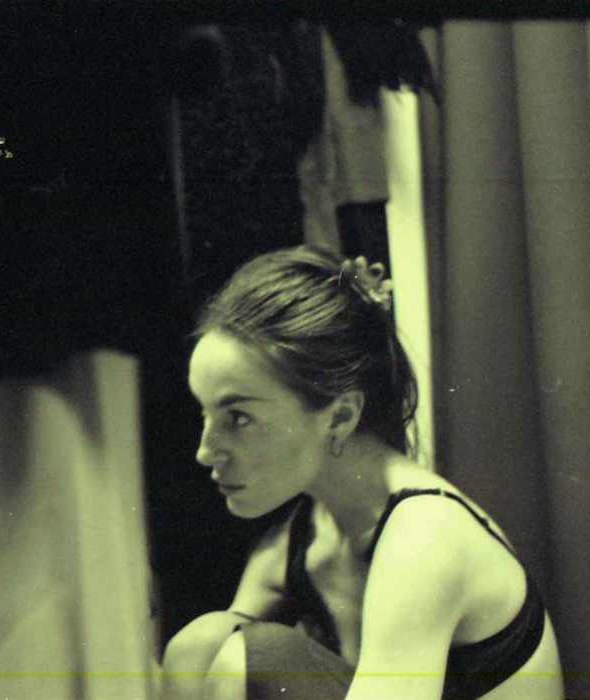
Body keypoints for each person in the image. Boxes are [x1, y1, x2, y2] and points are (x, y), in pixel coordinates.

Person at [161, 246, 563, 700]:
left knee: (256, 656)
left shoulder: (426, 538)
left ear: (339, 417)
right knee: (199, 647)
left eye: (238, 418)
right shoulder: (302, 538)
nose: (205, 451)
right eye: (206, 414)